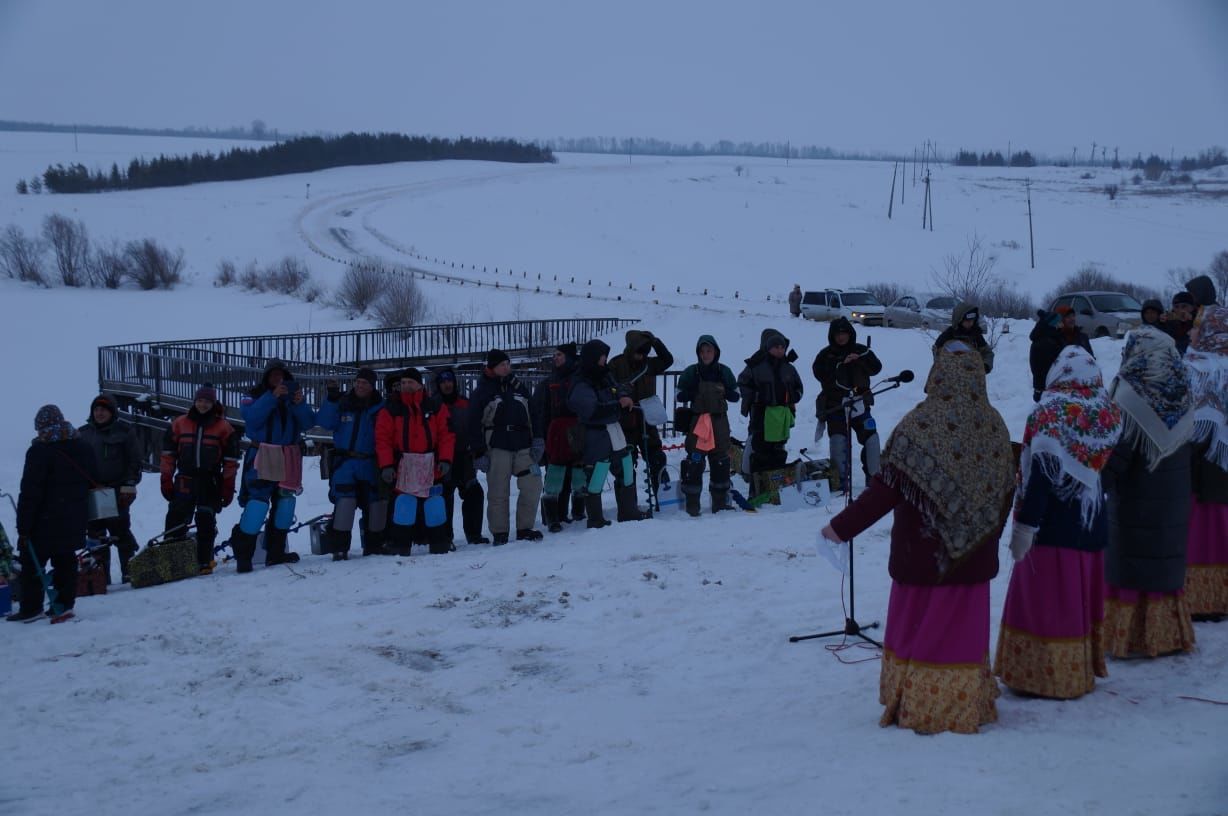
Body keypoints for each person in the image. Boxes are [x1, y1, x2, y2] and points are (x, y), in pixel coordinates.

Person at [821, 342, 1015, 734]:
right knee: (960, 636)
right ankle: (961, 704)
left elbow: (884, 490)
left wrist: (839, 528)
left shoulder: (919, 425)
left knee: (919, 631)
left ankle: (921, 703)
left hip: (922, 559)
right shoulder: (994, 425)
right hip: (971, 562)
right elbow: (1005, 489)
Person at [995, 347, 1122, 699]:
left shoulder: (1051, 412)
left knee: (1048, 606)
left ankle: (1042, 677)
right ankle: (1076, 671)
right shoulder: (1108, 411)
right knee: (1077, 604)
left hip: (1053, 527)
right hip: (1092, 519)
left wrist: (1025, 526)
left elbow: (1043, 476)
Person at [1101, 323, 1196, 657]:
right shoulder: (1182, 393)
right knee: (1162, 564)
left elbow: (1118, 454)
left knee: (1134, 565)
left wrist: (1097, 482)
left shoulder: (1128, 396)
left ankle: (1130, 638)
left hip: (1135, 505)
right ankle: (1167, 635)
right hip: (1173, 500)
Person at [8, 405, 98, 623]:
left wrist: (23, 526)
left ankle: (31, 608)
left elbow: (30, 492)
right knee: (65, 559)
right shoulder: (82, 446)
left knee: (31, 563)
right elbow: (92, 478)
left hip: (44, 520)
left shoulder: (39, 450)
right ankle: (65, 605)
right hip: (74, 515)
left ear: (40, 427)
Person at [234, 360, 316, 572]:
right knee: (258, 503)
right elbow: (252, 419)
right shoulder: (252, 396)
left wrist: (299, 404)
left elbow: (308, 423)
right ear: (267, 377)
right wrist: (271, 397)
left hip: (288, 453)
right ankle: (244, 556)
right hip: (263, 453)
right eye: (274, 376)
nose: (278, 380)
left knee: (286, 503)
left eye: (282, 376)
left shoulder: (292, 398)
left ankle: (276, 552)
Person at [160, 384, 240, 573]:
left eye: (207, 401)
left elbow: (230, 462)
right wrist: (166, 478)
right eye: (200, 400)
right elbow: (168, 455)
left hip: (209, 480)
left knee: (206, 520)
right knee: (176, 518)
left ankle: (204, 561)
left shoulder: (224, 428)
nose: (203, 404)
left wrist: (228, 487)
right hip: (185, 479)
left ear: (213, 403)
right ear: (194, 401)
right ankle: (171, 561)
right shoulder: (179, 423)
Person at [375, 367, 454, 555]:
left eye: (410, 382)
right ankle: (400, 544)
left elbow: (446, 435)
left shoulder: (435, 406)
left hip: (431, 462)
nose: (406, 386)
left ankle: (440, 542)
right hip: (404, 464)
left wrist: (445, 459)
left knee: (434, 502)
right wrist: (386, 465)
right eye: (403, 383)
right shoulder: (391, 408)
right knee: (405, 503)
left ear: (420, 384)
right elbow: (382, 439)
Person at [468, 349, 544, 544]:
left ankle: (525, 528)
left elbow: (534, 412)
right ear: (492, 367)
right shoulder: (482, 391)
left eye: (508, 364)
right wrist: (478, 453)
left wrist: (538, 439)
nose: (507, 368)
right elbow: (473, 422)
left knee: (533, 484)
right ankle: (500, 532)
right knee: (498, 491)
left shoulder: (518, 387)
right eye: (502, 364)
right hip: (497, 444)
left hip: (523, 444)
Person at [1181, 305, 1228, 620]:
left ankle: (1197, 599)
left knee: (1199, 534)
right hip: (1221, 464)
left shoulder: (1195, 368)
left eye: (1196, 327)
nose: (1190, 331)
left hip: (1197, 467)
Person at [568, 339, 639, 526]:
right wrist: (618, 405)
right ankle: (596, 519)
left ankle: (629, 512)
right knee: (597, 475)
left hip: (614, 431)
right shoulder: (581, 381)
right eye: (602, 357)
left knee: (625, 468)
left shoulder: (605, 374)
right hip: (595, 435)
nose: (604, 361)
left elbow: (617, 388)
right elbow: (590, 410)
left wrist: (622, 395)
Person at [317, 368, 386, 560]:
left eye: (365, 383)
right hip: (346, 462)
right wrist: (330, 399)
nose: (360, 385)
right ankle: (339, 548)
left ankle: (375, 546)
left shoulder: (380, 407)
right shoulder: (342, 403)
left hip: (371, 463)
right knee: (345, 504)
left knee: (376, 505)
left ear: (372, 386)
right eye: (358, 382)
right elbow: (325, 422)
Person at [812, 317, 883, 493]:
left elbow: (876, 368)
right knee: (838, 442)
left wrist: (859, 360)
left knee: (871, 439)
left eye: (844, 333)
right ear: (832, 336)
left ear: (850, 334)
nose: (841, 337)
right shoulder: (825, 355)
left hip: (860, 404)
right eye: (838, 334)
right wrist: (840, 365)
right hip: (835, 405)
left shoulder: (862, 350)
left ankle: (874, 478)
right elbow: (820, 375)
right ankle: (840, 480)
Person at [78, 393, 143, 583]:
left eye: (103, 410)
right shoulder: (83, 434)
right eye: (96, 410)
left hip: (116, 491)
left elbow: (134, 460)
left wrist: (129, 484)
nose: (99, 413)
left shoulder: (124, 431)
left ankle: (129, 570)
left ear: (111, 412)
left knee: (120, 530)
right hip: (93, 492)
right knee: (96, 535)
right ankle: (99, 575)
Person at [675, 335, 740, 515]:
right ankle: (692, 505)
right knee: (694, 462)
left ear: (716, 352)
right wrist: (692, 390)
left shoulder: (724, 371)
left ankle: (719, 504)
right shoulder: (691, 372)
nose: (705, 354)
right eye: (702, 351)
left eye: (709, 350)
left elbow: (736, 396)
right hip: (699, 423)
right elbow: (678, 396)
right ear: (698, 353)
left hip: (719, 422)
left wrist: (723, 391)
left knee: (720, 461)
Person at [608, 329, 674, 504]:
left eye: (645, 351)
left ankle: (663, 500)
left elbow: (668, 360)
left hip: (648, 419)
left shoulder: (649, 365)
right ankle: (628, 505)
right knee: (626, 464)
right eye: (639, 350)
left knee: (657, 459)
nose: (641, 355)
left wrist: (656, 342)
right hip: (625, 422)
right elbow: (608, 387)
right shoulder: (616, 364)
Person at [532, 343, 586, 532]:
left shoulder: (580, 379)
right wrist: (542, 435)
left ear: (569, 357)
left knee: (577, 473)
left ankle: (577, 512)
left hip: (576, 429)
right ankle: (553, 517)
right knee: (555, 474)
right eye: (555, 355)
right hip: (555, 431)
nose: (555, 358)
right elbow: (541, 411)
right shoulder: (548, 382)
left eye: (559, 355)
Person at [737, 328, 803, 475]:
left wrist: (793, 397)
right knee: (760, 450)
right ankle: (757, 485)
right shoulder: (756, 366)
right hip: (761, 415)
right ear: (768, 347)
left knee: (778, 450)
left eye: (782, 347)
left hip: (782, 416)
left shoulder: (789, 368)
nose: (779, 350)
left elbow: (799, 387)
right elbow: (742, 382)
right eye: (775, 347)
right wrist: (755, 397)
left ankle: (775, 482)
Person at [433, 367, 488, 545]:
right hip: (442, 459)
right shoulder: (433, 404)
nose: (447, 384)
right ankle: (445, 537)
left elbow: (475, 426)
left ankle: (474, 535)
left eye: (449, 381)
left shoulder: (465, 402)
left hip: (464, 456)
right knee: (444, 498)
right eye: (443, 382)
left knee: (474, 493)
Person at [1029, 308, 1095, 402]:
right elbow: (1048, 368)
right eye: (1068, 317)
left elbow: (1091, 359)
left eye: (1073, 316)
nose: (1072, 319)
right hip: (1056, 390)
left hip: (1082, 385)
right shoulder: (1053, 340)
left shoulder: (1081, 337)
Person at [932, 302, 994, 374]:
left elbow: (987, 353)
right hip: (950, 377)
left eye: (972, 320)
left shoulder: (975, 334)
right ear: (959, 319)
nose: (970, 323)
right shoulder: (948, 335)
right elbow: (937, 353)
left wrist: (985, 366)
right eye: (967, 320)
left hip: (972, 376)